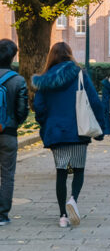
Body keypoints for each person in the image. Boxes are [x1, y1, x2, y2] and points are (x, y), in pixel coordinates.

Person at [33, 42, 104, 228]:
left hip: (56, 132)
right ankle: (73, 199)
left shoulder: (44, 80)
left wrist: (45, 123)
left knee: (61, 172)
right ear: (70, 55)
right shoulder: (80, 74)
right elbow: (95, 102)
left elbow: (39, 107)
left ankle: (63, 216)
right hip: (78, 130)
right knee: (79, 169)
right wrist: (101, 127)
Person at [0, 39, 28, 227]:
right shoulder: (18, 80)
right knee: (7, 174)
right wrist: (13, 124)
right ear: (13, 57)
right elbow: (22, 110)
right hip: (8, 133)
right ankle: (2, 215)